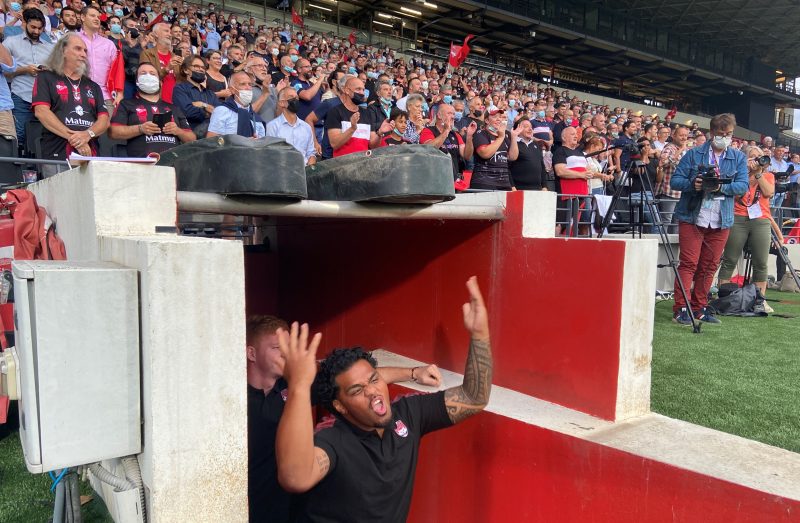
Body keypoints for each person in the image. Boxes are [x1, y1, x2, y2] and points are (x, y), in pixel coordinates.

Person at [275, 276, 492, 522]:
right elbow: (296, 478)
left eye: (374, 379)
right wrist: (299, 385)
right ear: (340, 406)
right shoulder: (332, 439)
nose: (372, 391)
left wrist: (480, 334)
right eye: (357, 391)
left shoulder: (409, 414)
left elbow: (473, 398)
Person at [246, 314, 442, 523]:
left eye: (289, 347)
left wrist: (413, 373)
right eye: (278, 348)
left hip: (291, 504)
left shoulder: (293, 387)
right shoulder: (234, 402)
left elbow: (360, 383)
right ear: (252, 353)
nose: (288, 355)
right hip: (249, 501)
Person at [669, 113, 749, 326]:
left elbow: (743, 186)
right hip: (693, 215)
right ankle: (681, 308)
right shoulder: (694, 154)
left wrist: (721, 186)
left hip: (721, 218)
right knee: (689, 264)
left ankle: (699, 308)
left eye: (729, 134)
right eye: (721, 134)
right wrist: (693, 185)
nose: (725, 137)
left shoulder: (738, 157)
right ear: (712, 133)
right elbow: (675, 180)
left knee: (709, 265)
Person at [31, 34, 109, 177]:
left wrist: (87, 134)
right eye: (78, 49)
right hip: (57, 154)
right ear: (63, 51)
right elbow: (41, 112)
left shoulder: (94, 86)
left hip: (90, 154)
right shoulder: (46, 77)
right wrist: (76, 139)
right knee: (58, 199)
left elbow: (104, 120)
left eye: (85, 51)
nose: (83, 54)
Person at [717, 145, 776, 313]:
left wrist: (758, 173)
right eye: (753, 157)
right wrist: (744, 172)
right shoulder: (737, 173)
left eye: (760, 157)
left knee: (761, 262)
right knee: (730, 259)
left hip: (760, 219)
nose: (757, 160)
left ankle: (760, 301)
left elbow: (768, 192)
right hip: (738, 217)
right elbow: (734, 193)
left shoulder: (768, 175)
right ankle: (724, 299)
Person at [109, 62, 195, 156]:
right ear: (137, 81)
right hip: (141, 164)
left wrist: (178, 131)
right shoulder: (126, 104)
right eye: (143, 73)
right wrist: (140, 129)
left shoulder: (174, 108)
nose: (148, 76)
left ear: (160, 82)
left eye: (152, 74)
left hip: (172, 163)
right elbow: (113, 132)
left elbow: (192, 139)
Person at [4, 7, 54, 148]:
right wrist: (25, 69)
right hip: (20, 95)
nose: (36, 31)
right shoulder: (10, 42)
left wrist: (47, 71)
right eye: (33, 27)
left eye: (40, 28)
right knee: (19, 135)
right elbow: (3, 72)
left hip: (44, 99)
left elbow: (57, 73)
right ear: (24, 23)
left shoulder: (50, 47)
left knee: (42, 136)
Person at [325, 76, 390, 157]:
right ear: (347, 90)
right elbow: (334, 144)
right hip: (343, 165)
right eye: (358, 89)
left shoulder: (367, 113)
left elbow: (373, 146)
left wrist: (380, 133)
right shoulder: (335, 112)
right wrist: (352, 128)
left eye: (363, 89)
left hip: (363, 164)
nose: (362, 93)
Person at [419, 103, 475, 182]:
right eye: (449, 113)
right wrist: (446, 131)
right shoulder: (428, 131)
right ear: (439, 115)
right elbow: (429, 149)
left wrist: (469, 137)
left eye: (453, 114)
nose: (453, 117)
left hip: (454, 180)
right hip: (435, 180)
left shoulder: (456, 134)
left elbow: (467, 156)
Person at [78, 5, 118, 111]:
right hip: (77, 94)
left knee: (105, 127)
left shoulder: (109, 44)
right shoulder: (72, 38)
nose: (96, 19)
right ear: (82, 17)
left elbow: (116, 72)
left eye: (98, 17)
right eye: (92, 16)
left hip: (105, 96)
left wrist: (119, 93)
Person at [554, 126, 591, 236]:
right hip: (566, 195)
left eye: (576, 134)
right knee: (561, 223)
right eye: (572, 134)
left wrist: (595, 174)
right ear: (564, 137)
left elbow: (587, 170)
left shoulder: (579, 153)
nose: (576, 136)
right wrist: (582, 174)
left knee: (573, 223)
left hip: (581, 194)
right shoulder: (560, 151)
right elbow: (560, 171)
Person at [470, 108, 520, 191]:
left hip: (504, 183)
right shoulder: (481, 133)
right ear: (486, 120)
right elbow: (485, 154)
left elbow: (512, 157)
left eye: (500, 117)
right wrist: (500, 138)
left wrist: (514, 137)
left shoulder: (504, 135)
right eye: (494, 117)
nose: (498, 119)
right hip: (485, 182)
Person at [265, 86, 316, 165]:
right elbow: (271, 154)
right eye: (291, 97)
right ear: (282, 103)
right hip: (284, 172)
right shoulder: (273, 126)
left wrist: (310, 168)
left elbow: (311, 153)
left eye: (296, 97)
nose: (295, 100)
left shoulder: (306, 127)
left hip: (304, 170)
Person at [171, 54, 218, 138]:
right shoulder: (180, 89)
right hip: (192, 137)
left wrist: (202, 104)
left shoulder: (210, 93)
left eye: (203, 68)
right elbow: (187, 111)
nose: (201, 69)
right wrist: (207, 110)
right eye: (196, 66)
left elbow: (219, 113)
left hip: (213, 136)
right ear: (186, 70)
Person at [207, 70, 265, 138]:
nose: (248, 88)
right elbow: (211, 139)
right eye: (242, 84)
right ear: (232, 90)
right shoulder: (222, 111)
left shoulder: (254, 116)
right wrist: (241, 142)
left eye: (250, 84)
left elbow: (262, 143)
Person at [656, 125, 690, 233]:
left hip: (681, 191)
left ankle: (673, 247)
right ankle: (661, 245)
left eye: (685, 135)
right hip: (668, 190)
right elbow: (662, 162)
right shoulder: (669, 148)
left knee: (677, 221)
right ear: (674, 136)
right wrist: (679, 152)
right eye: (681, 135)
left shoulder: (687, 150)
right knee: (666, 220)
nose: (684, 138)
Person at [138, 22, 179, 103]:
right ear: (155, 34)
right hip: (156, 102)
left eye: (170, 32)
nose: (170, 35)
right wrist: (167, 68)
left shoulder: (175, 56)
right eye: (166, 31)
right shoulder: (147, 54)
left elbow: (181, 81)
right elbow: (147, 79)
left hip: (176, 103)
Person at [509, 119, 548, 191]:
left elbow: (542, 166)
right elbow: (507, 167)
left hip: (537, 189)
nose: (530, 129)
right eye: (526, 126)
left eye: (531, 127)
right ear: (517, 129)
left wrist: (544, 186)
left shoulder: (536, 145)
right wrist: (512, 186)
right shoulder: (513, 144)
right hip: (519, 189)